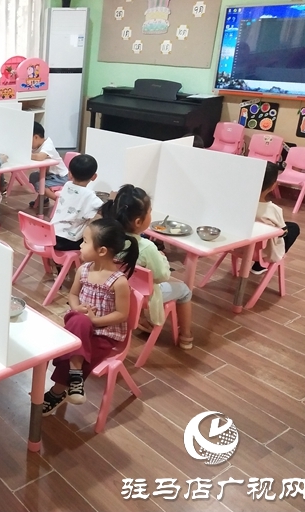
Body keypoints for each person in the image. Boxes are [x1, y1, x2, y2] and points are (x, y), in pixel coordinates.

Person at [43, 218, 139, 415]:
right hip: (79, 325)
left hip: (105, 333)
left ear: (102, 251)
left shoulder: (119, 282)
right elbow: (73, 295)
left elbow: (122, 315)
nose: (80, 244)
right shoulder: (83, 270)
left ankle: (58, 391)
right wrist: (78, 308)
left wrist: (95, 320)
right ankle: (75, 378)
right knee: (79, 321)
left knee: (70, 351)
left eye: (85, 241)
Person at [101, 185, 194, 350]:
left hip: (112, 290)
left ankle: (141, 318)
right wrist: (163, 259)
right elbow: (162, 276)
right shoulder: (146, 247)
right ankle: (186, 336)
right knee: (184, 290)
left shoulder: (107, 236)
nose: (151, 215)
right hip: (140, 297)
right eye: (150, 212)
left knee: (137, 280)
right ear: (138, 221)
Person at [253, 162, 300, 274]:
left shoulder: (238, 204)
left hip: (237, 247)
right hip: (262, 253)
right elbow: (283, 232)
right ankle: (259, 265)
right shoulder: (273, 210)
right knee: (293, 228)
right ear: (273, 186)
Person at [51, 154, 103, 251]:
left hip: (50, 235)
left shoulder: (67, 185)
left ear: (70, 174)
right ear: (94, 177)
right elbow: (104, 209)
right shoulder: (89, 195)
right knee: (95, 237)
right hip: (68, 240)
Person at [29, 122, 69, 209]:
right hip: (49, 174)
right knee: (33, 176)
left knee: (40, 185)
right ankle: (45, 200)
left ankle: (61, 202)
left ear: (36, 137)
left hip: (60, 176)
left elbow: (40, 157)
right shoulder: (37, 146)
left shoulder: (48, 144)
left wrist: (25, 154)